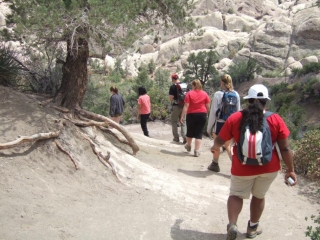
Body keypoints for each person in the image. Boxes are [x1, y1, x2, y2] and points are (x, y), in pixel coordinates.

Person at [210, 84, 297, 240]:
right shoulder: (275, 119)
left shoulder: (236, 118)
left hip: (241, 168)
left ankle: (233, 224)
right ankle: (252, 228)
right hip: (268, 168)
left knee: (236, 194)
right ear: (265, 102)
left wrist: (215, 147)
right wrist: (290, 170)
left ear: (248, 100)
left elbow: (221, 139)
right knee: (258, 196)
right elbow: (285, 148)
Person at [207, 74, 240, 172]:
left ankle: (215, 164)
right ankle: (236, 167)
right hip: (231, 124)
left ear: (222, 82)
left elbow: (213, 112)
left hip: (220, 123)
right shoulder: (236, 94)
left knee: (217, 144)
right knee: (228, 145)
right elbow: (238, 111)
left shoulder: (218, 94)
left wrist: (209, 128)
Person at [180, 79, 210, 157]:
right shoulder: (204, 93)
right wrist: (207, 113)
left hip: (191, 114)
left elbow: (186, 105)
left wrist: (182, 116)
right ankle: (196, 151)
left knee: (190, 131)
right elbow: (208, 105)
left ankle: (189, 145)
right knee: (199, 133)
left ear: (193, 85)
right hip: (202, 114)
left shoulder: (189, 94)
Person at [169, 73, 187, 143]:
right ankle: (184, 137)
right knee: (183, 121)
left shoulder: (173, 87)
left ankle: (176, 138)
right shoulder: (185, 85)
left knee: (174, 121)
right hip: (184, 106)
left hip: (176, 106)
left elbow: (171, 98)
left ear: (173, 79)